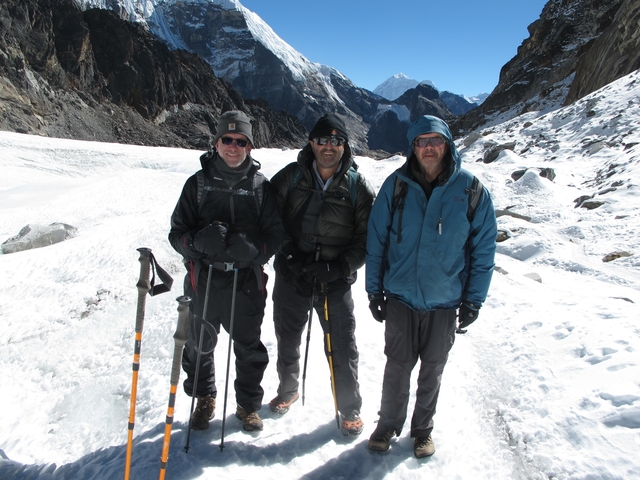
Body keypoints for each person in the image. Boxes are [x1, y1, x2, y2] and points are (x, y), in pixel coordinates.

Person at [365, 115, 497, 458]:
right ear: (412, 147)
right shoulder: (395, 186)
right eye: (421, 141)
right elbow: (376, 241)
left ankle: (422, 430)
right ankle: (387, 425)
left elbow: (483, 251)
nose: (428, 147)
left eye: (435, 140)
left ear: (447, 144)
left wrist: (473, 301)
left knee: (433, 369)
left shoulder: (470, 191)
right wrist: (373, 290)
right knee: (397, 365)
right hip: (400, 296)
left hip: (444, 299)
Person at [168, 110, 284, 432]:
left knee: (249, 347)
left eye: (241, 141)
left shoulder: (262, 188)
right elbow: (176, 235)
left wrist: (255, 250)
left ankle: (248, 405)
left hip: (245, 282)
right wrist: (196, 243)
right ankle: (204, 399)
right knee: (199, 344)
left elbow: (277, 236)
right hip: (203, 279)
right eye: (227, 140)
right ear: (216, 143)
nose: (233, 146)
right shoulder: (198, 184)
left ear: (249, 146)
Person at [268, 113, 375, 436]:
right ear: (311, 142)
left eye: (336, 141)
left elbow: (366, 239)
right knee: (287, 337)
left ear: (344, 146)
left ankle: (349, 409)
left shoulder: (358, 187)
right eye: (323, 140)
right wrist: (288, 254)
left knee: (342, 345)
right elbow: (270, 219)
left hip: (335, 280)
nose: (329, 147)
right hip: (292, 274)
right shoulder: (291, 177)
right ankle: (288, 390)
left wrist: (340, 267)